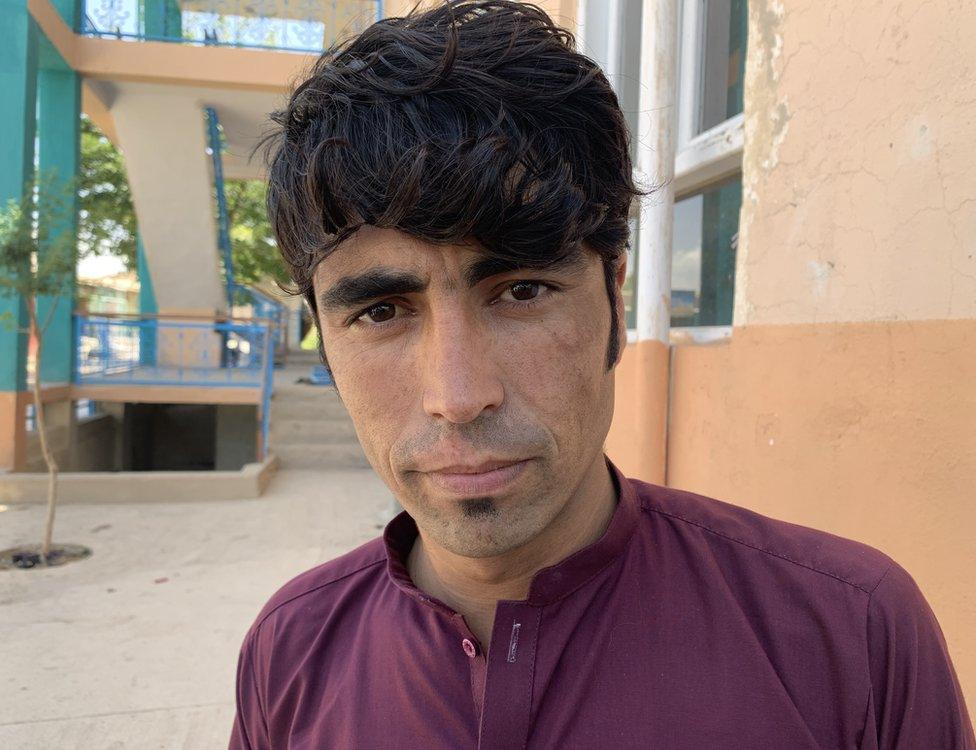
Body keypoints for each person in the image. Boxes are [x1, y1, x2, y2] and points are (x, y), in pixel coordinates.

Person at [229, 2, 975, 747]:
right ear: (325, 342)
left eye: (522, 291)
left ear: (615, 303)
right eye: (383, 312)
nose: (457, 397)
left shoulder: (854, 637)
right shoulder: (287, 654)